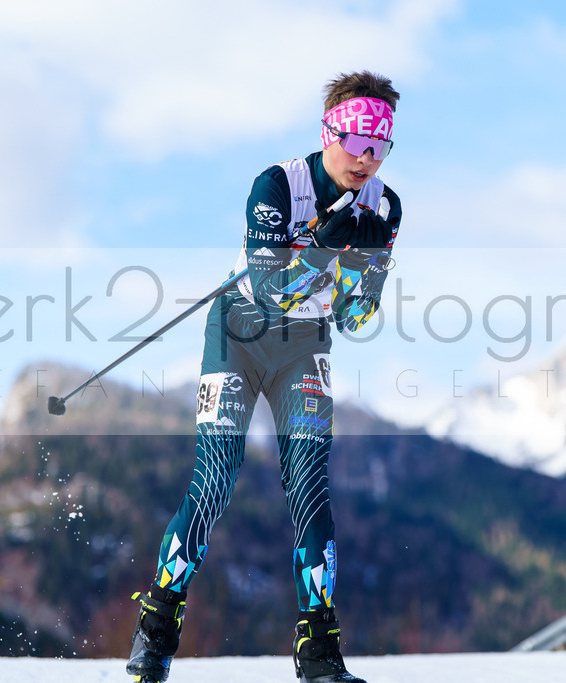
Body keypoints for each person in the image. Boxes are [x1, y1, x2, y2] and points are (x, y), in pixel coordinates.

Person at [126, 71, 403, 683]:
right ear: (330, 133)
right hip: (238, 333)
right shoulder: (276, 185)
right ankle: (156, 629)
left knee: (310, 488)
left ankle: (319, 652)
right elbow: (273, 289)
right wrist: (325, 247)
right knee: (216, 477)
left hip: (306, 345)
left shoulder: (384, 206)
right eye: (358, 141)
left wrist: (364, 265)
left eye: (382, 145)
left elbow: (355, 318)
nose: (368, 158)